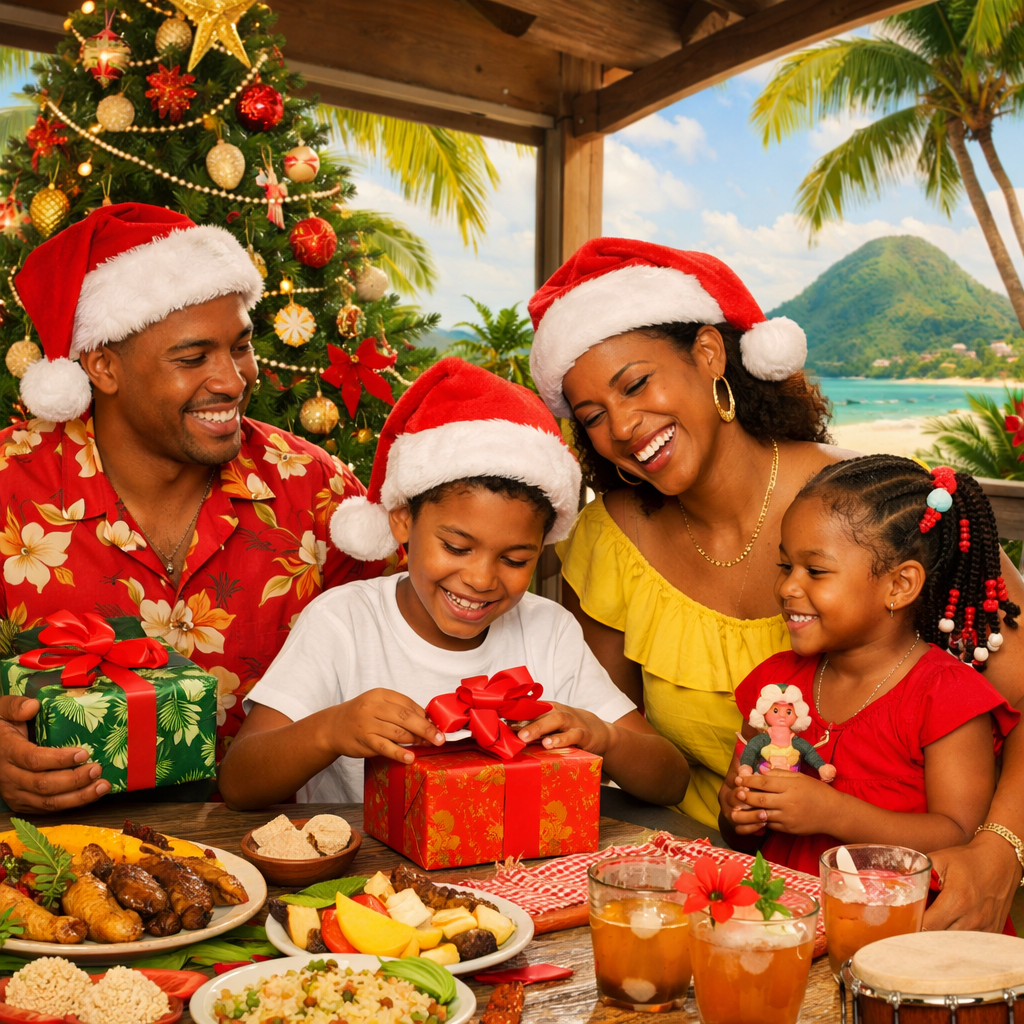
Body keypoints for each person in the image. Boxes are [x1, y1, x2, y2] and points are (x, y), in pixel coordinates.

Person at [529, 237, 1024, 931]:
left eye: (636, 384)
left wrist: (1001, 852)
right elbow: (633, 752)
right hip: (725, 903)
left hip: (932, 905)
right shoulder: (606, 541)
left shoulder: (875, 510)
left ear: (708, 354)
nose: (622, 427)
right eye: (590, 417)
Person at [0, 203, 391, 813]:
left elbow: (403, 643)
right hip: (57, 865)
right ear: (103, 365)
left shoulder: (315, 488)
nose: (233, 381)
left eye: (241, 347)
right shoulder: (8, 488)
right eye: (193, 358)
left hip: (281, 859)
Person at [218, 357, 690, 809]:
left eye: (514, 558)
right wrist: (329, 730)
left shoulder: (549, 631)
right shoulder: (344, 622)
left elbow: (670, 780)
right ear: (403, 522)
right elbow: (240, 782)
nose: (481, 578)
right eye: (457, 548)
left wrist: (604, 736)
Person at [718, 456, 1019, 875]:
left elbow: (959, 835)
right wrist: (740, 812)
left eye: (816, 570)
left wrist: (836, 815)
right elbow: (738, 834)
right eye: (785, 566)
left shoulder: (945, 696)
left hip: (903, 926)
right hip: (790, 919)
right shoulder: (776, 685)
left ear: (899, 585)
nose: (787, 586)